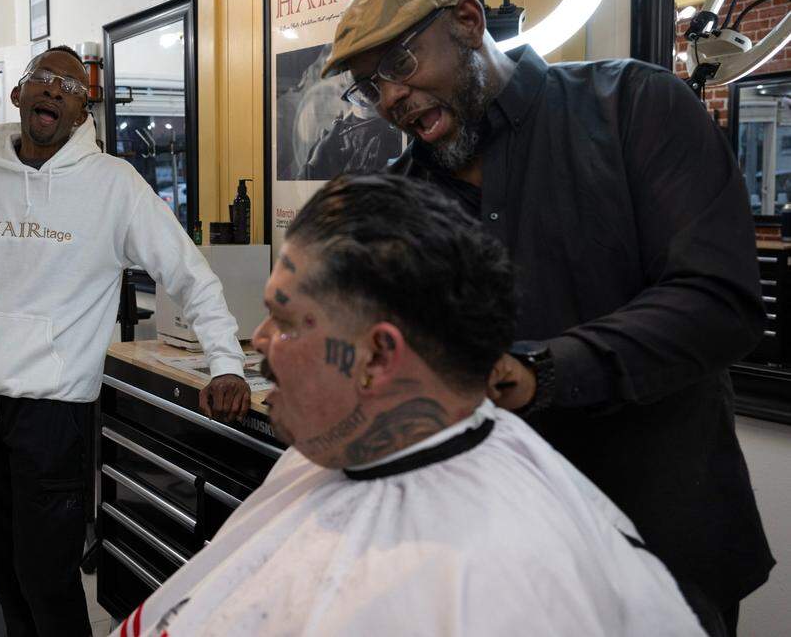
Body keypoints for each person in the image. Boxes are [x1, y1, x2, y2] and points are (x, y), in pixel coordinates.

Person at [321, 0, 773, 635]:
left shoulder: (634, 108)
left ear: (469, 23)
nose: (390, 98)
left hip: (662, 549)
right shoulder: (397, 201)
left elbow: (719, 300)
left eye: (402, 61)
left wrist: (542, 370)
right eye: (370, 84)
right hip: (496, 566)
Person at [120, 175, 703, 636]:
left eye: (289, 320)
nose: (263, 338)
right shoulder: (331, 452)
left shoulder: (500, 584)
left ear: (377, 357)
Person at [0, 46, 251, 637]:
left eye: (67, 86)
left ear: (82, 111)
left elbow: (189, 275)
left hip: (52, 416)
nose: (52, 91)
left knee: (48, 580)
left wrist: (227, 362)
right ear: (19, 96)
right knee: (1, 576)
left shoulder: (114, 186)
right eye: (40, 79)